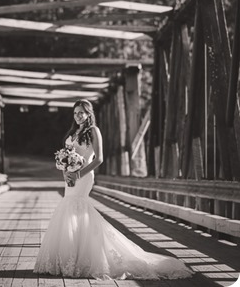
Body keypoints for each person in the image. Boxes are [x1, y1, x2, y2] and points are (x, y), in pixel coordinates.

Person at [33, 99, 192, 280]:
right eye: (75, 113)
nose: (78, 116)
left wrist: (78, 174)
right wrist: (66, 171)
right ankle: (68, 258)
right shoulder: (73, 132)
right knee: (68, 209)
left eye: (81, 113)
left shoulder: (94, 131)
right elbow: (66, 157)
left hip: (84, 177)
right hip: (70, 177)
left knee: (77, 207)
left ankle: (84, 259)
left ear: (88, 114)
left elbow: (99, 158)